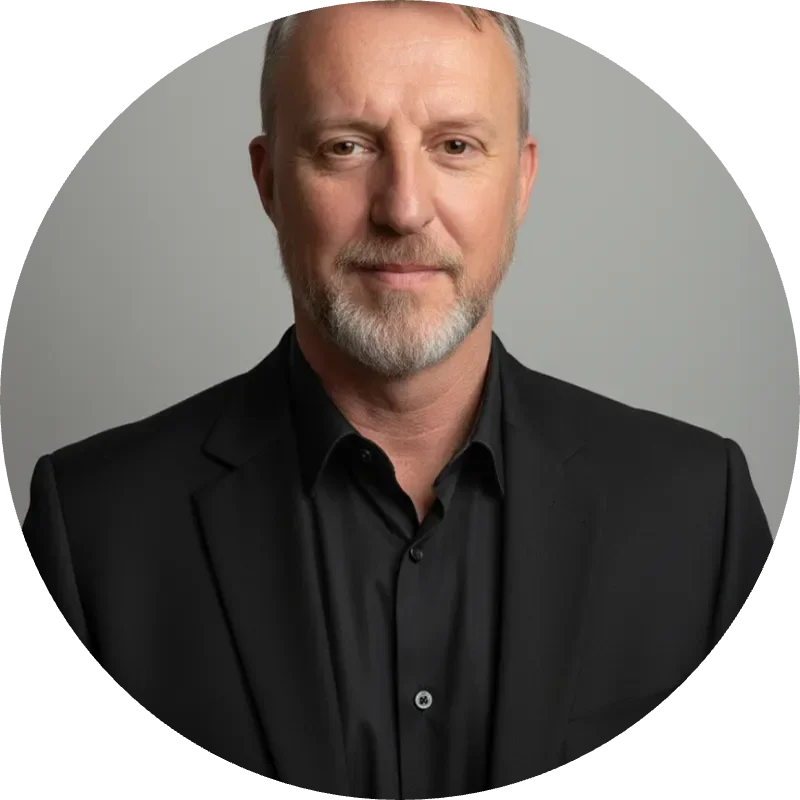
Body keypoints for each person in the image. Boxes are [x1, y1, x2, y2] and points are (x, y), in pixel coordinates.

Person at [20, 4, 775, 796]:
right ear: (270, 181)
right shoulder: (94, 533)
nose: (403, 207)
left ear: (519, 181)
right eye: (346, 147)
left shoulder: (698, 513)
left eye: (454, 146)